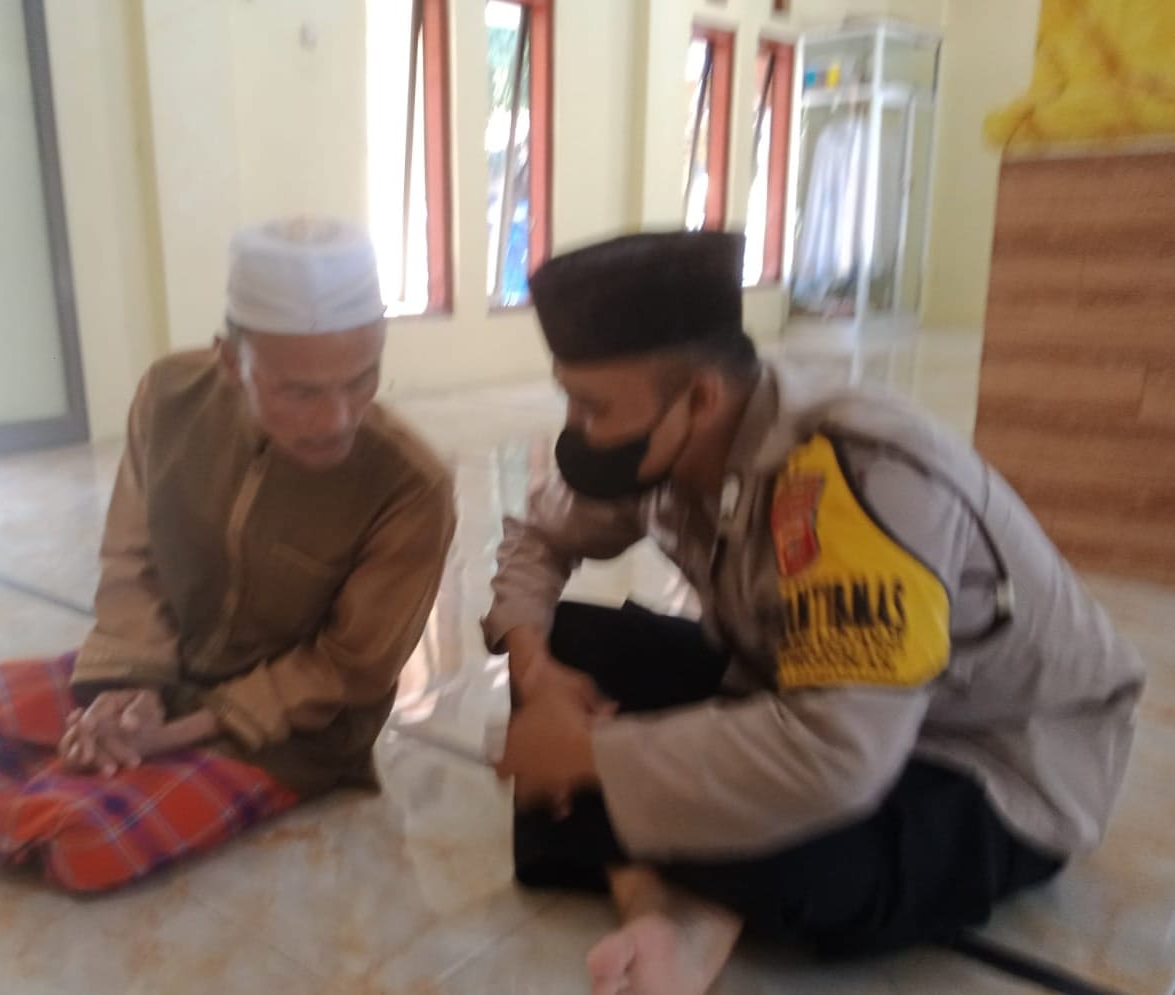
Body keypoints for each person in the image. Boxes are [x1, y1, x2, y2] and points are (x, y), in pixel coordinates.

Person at [483, 230, 1146, 995]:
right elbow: (539, 535)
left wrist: (587, 755)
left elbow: (837, 754)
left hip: (979, 756)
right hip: (794, 685)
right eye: (569, 397)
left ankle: (665, 880)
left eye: (592, 407)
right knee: (569, 644)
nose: (576, 427)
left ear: (699, 398)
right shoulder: (663, 444)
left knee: (807, 859)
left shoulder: (857, 475)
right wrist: (536, 667)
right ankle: (660, 904)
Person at [0, 219, 456, 892]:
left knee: (90, 843)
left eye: (360, 379)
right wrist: (130, 689)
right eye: (300, 391)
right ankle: (73, 770)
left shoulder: (410, 485)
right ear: (230, 361)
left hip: (286, 731)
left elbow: (349, 669)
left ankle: (64, 786)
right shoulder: (170, 398)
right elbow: (132, 557)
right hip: (170, 669)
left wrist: (171, 735)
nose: (336, 418)